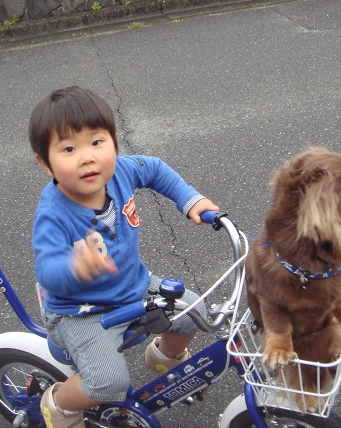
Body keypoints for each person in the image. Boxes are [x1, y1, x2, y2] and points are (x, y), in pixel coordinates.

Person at [29, 86, 220, 428]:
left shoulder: (121, 172)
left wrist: (190, 199)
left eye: (96, 142)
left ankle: (164, 358)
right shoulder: (53, 214)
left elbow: (155, 169)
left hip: (133, 287)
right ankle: (58, 405)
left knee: (195, 311)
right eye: (69, 149)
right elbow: (46, 269)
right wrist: (75, 267)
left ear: (115, 142)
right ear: (46, 163)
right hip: (81, 311)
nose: (87, 157)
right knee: (108, 384)